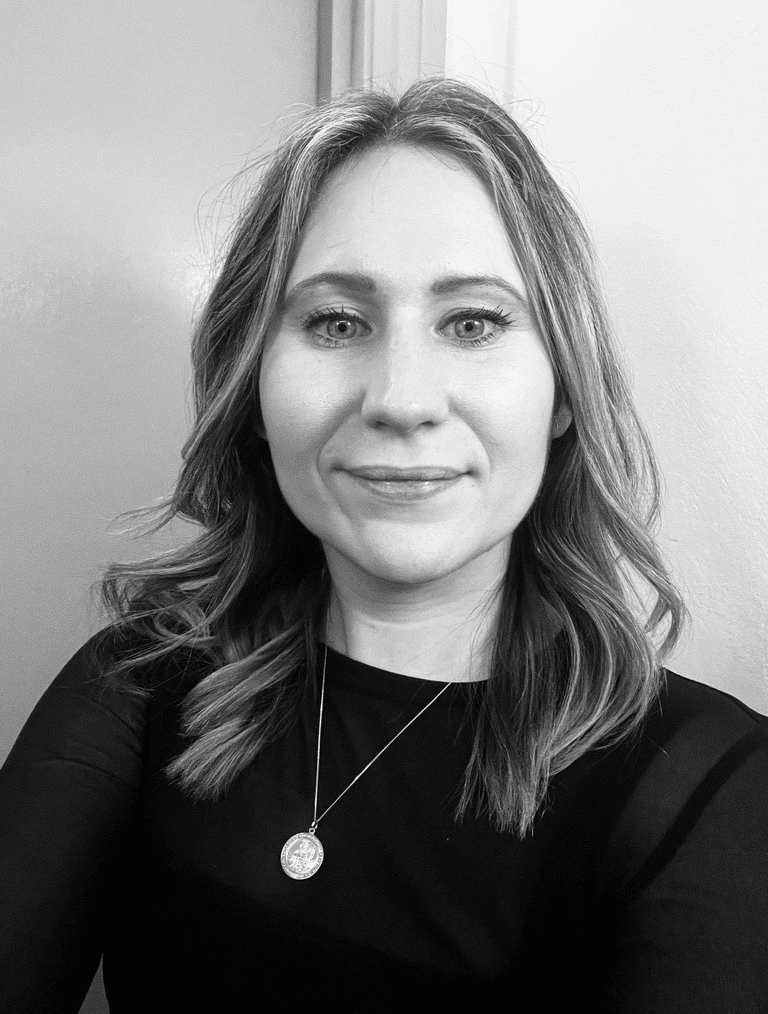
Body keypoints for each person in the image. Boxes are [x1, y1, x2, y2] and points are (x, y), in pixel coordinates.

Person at [1, 77, 766, 1013]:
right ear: (253, 389)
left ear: (564, 394)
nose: (401, 399)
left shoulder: (708, 790)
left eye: (474, 323)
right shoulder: (139, 681)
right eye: (335, 322)